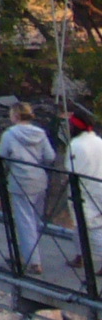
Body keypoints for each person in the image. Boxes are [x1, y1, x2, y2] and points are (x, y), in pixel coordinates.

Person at [0, 102, 56, 273]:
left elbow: (2, 155)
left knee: (25, 221)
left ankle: (33, 261)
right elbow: (50, 156)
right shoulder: (41, 134)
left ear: (15, 116)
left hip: (20, 180)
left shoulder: (10, 134)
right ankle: (27, 253)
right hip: (39, 179)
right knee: (35, 220)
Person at [69, 109, 102, 268]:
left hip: (84, 189)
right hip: (98, 185)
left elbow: (71, 168)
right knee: (84, 223)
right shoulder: (99, 141)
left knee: (91, 225)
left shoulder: (76, 145)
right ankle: (80, 255)